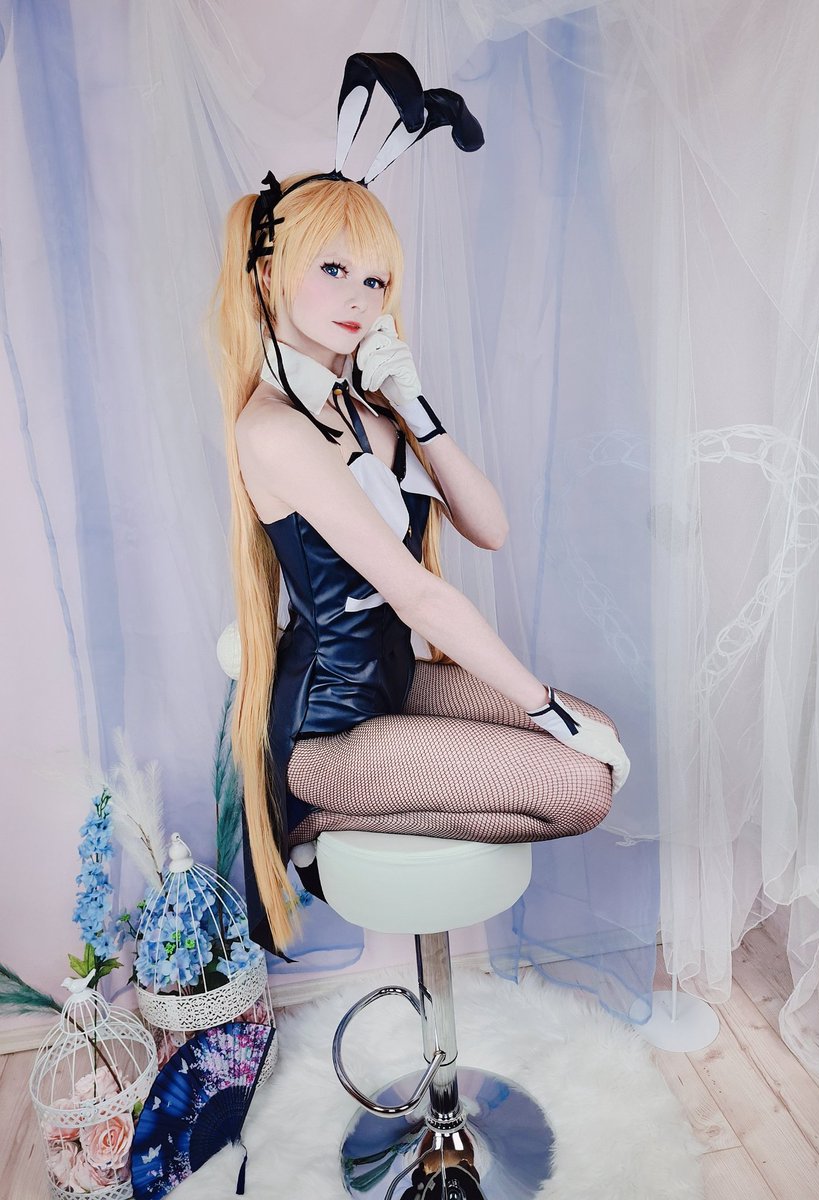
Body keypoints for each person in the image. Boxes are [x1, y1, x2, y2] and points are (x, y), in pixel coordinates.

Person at [213, 64, 629, 957]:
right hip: (328, 730)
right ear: (269, 272)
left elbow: (490, 527)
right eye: (333, 269)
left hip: (397, 682)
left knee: (601, 737)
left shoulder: (362, 407)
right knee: (581, 781)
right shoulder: (273, 429)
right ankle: (313, 816)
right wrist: (541, 709)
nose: (359, 299)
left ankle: (373, 799)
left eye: (376, 281)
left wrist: (413, 402)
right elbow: (418, 595)